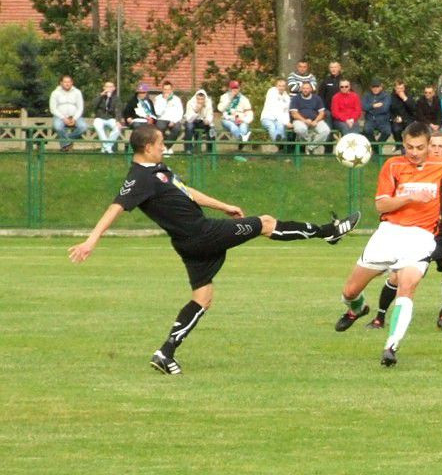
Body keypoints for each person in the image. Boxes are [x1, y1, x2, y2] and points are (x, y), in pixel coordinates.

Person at [68, 125, 361, 375]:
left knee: (203, 298)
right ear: (147, 147)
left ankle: (165, 353)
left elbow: (187, 191)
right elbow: (116, 207)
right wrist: (91, 241)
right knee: (265, 223)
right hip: (203, 234)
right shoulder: (138, 178)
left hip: (188, 243)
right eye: (160, 143)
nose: (164, 147)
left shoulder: (158, 170)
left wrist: (223, 206)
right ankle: (329, 232)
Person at [333, 122, 442, 367]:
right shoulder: (392, 165)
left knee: (406, 287)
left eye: (419, 147)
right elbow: (381, 205)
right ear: (403, 144)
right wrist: (409, 197)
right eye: (409, 147)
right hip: (388, 234)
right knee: (350, 292)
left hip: (421, 237)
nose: (414, 152)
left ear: (428, 145)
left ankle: (391, 346)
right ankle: (357, 309)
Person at [361, 133, 442, 333]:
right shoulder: (417, 171)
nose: (437, 150)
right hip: (421, 233)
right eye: (433, 146)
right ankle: (379, 317)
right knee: (396, 278)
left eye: (441, 146)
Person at [289, 81, 331, 154]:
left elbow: (322, 113)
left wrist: (316, 121)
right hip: (300, 120)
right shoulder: (295, 98)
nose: (305, 90)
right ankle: (309, 140)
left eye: (307, 88)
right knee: (300, 129)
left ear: (311, 89)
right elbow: (294, 114)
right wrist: (305, 120)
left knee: (326, 130)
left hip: (315, 120)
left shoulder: (317, 98)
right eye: (304, 88)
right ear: (301, 89)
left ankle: (310, 147)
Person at [49, 75, 88, 151]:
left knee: (83, 127)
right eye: (65, 82)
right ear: (61, 83)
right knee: (57, 127)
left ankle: (67, 141)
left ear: (72, 83)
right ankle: (66, 145)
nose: (67, 84)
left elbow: (80, 108)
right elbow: (53, 109)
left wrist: (74, 118)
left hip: (75, 116)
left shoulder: (77, 92)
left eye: (69, 82)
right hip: (60, 116)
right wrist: (63, 118)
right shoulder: (55, 93)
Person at [217, 80, 254, 147]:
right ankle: (242, 139)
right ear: (229, 88)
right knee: (232, 126)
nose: (235, 90)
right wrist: (230, 99)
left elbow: (249, 113)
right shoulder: (224, 97)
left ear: (239, 88)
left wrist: (244, 120)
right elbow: (220, 109)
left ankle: (241, 142)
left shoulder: (243, 99)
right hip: (227, 119)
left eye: (236, 88)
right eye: (233, 88)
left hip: (240, 119)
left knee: (243, 126)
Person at [362, 78, 391, 155]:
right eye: (373, 87)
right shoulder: (366, 95)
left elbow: (385, 108)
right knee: (366, 130)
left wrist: (370, 109)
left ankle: (375, 149)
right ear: (370, 87)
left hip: (383, 120)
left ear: (381, 87)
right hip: (370, 120)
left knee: (387, 131)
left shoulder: (386, 95)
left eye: (377, 87)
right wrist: (373, 106)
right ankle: (377, 150)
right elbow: (363, 107)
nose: (375, 89)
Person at [153, 81, 184, 155]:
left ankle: (167, 147)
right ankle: (165, 147)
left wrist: (173, 121)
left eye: (168, 89)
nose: (167, 91)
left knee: (177, 128)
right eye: (165, 89)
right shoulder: (158, 98)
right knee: (160, 127)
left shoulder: (176, 99)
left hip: (174, 119)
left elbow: (180, 112)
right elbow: (157, 112)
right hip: (162, 119)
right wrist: (165, 101)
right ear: (162, 90)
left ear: (171, 90)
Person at [92, 81, 122, 154]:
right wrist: (101, 95)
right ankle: (108, 148)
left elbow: (118, 110)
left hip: (111, 118)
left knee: (118, 128)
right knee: (97, 126)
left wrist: (118, 121)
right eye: (107, 87)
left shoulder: (116, 98)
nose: (109, 88)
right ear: (104, 88)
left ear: (114, 88)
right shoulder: (100, 96)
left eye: (111, 87)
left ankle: (106, 147)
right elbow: (93, 105)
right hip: (100, 117)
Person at [260, 78, 292, 148]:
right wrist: (285, 122)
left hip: (278, 120)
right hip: (267, 118)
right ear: (276, 86)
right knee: (272, 126)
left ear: (285, 87)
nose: (281, 88)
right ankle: (279, 143)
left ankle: (281, 143)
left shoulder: (287, 97)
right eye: (279, 86)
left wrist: (287, 122)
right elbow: (275, 109)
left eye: (283, 86)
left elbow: (285, 112)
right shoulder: (271, 92)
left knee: (280, 126)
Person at [184, 89, 215, 155]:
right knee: (189, 127)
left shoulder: (208, 103)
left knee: (212, 129)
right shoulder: (190, 103)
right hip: (192, 121)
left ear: (204, 99)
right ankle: (188, 149)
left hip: (203, 122)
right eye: (198, 99)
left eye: (202, 99)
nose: (200, 101)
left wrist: (208, 120)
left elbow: (210, 114)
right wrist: (197, 111)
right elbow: (189, 119)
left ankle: (210, 149)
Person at [389, 80, 416, 154]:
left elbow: (413, 108)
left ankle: (409, 147)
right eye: (398, 88)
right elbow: (389, 110)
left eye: (402, 88)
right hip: (397, 119)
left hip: (408, 119)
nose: (400, 90)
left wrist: (405, 98)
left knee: (409, 130)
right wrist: (394, 118)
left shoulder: (408, 95)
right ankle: (400, 146)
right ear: (395, 88)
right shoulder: (391, 97)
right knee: (396, 129)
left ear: (404, 88)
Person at [316, 61, 343, 129]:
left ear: (339, 68)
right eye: (331, 67)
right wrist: (323, 108)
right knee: (327, 115)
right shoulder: (325, 80)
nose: (333, 69)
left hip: (341, 109)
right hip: (328, 109)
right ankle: (329, 134)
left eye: (335, 67)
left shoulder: (344, 80)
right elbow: (320, 96)